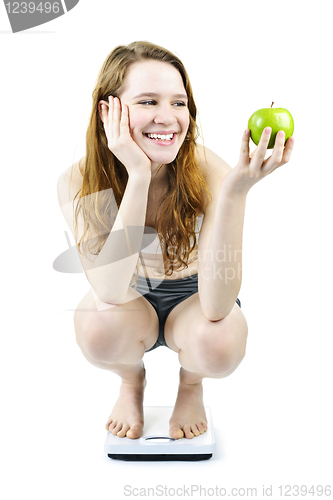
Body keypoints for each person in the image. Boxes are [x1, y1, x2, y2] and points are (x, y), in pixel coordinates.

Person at [57, 41, 294, 441]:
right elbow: (111, 292)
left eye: (179, 103)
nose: (168, 119)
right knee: (99, 327)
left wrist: (235, 193)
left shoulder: (206, 168)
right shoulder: (78, 181)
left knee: (219, 342)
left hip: (196, 295)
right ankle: (131, 382)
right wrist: (138, 174)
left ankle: (191, 384)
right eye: (148, 101)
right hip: (130, 296)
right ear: (108, 111)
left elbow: (218, 305)